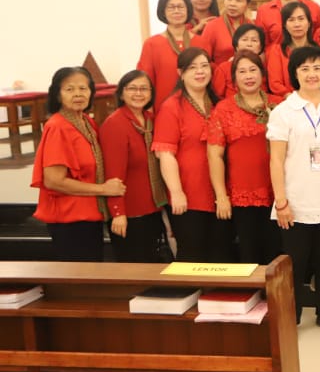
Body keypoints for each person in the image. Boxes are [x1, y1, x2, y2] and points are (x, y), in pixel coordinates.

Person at [267, 46, 320, 334]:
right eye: (305, 69)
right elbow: (276, 160)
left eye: (317, 68)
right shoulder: (283, 112)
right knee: (295, 267)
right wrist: (281, 201)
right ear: (295, 73)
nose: (312, 74)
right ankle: (292, 317)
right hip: (295, 202)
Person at [32, 67, 125, 261]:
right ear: (58, 95)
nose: (78, 94)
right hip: (69, 220)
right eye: (70, 89)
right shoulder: (58, 127)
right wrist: (104, 189)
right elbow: (54, 181)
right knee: (82, 274)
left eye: (83, 88)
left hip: (88, 216)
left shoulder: (85, 122)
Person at [153, 47, 233, 262]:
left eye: (204, 66)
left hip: (220, 194)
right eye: (193, 68)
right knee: (192, 257)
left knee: (221, 256)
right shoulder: (172, 106)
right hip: (189, 195)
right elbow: (165, 154)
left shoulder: (218, 104)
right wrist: (177, 192)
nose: (200, 72)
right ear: (181, 73)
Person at [207, 52, 283, 265]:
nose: (248, 76)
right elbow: (214, 155)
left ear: (262, 74)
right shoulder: (224, 109)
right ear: (234, 78)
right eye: (242, 71)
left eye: (253, 70)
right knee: (249, 256)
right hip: (242, 194)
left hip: (278, 193)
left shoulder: (279, 106)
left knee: (277, 254)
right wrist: (221, 196)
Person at [100, 70, 168, 262]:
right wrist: (118, 213)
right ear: (121, 93)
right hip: (129, 213)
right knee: (135, 267)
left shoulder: (150, 120)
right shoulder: (115, 124)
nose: (138, 93)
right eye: (132, 88)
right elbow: (113, 174)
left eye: (144, 89)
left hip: (153, 208)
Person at [138, 0, 195, 104]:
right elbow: (145, 81)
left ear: (188, 10)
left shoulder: (202, 41)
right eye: (171, 7)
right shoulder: (152, 44)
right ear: (163, 11)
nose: (176, 11)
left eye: (181, 7)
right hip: (163, 106)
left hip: (196, 107)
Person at [268, 2, 319, 96]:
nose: (297, 24)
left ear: (309, 23)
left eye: (301, 19)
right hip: (288, 100)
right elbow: (275, 84)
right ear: (285, 25)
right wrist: (294, 98)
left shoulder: (319, 50)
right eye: (291, 20)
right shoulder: (277, 51)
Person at [199, 0, 252, 64]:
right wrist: (223, 68)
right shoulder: (212, 26)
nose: (232, 4)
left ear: (247, 4)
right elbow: (203, 59)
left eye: (238, 0)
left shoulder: (252, 26)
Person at [212, 24, 267, 98]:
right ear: (236, 45)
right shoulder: (223, 68)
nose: (249, 44)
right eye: (244, 40)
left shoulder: (264, 68)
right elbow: (216, 97)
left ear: (260, 47)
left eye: (254, 40)